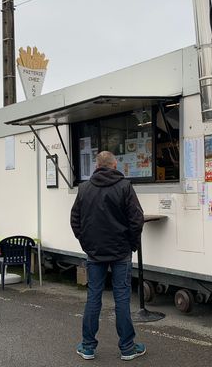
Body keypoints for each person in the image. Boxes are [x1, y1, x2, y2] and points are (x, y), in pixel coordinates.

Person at [70, 151, 146, 361]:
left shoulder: (84, 188)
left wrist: (85, 243)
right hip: (121, 251)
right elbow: (136, 219)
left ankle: (87, 347)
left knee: (93, 297)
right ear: (114, 165)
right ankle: (128, 348)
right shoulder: (124, 186)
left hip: (94, 253)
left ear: (96, 166)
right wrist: (131, 244)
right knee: (122, 297)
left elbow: (75, 220)